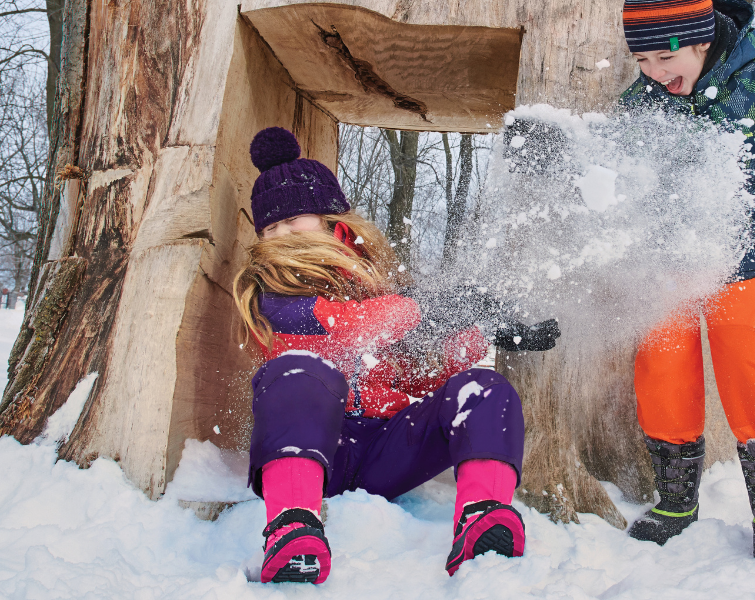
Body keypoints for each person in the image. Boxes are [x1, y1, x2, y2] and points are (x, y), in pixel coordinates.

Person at [232, 127, 561, 584]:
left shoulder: (376, 287)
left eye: (294, 221)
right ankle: (292, 528)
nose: (283, 234)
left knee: (483, 389)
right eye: (271, 227)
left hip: (387, 451)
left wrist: (473, 335)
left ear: (330, 220)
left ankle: (484, 515)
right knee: (299, 370)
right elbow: (348, 327)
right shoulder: (268, 297)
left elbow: (410, 377)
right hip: (319, 451)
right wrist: (430, 308)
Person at [618, 0, 755, 558]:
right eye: (641, 59)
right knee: (660, 366)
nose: (652, 71)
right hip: (662, 266)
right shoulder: (642, 102)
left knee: (746, 365)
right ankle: (676, 501)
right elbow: (607, 168)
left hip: (738, 261)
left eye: (662, 56)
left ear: (699, 41)